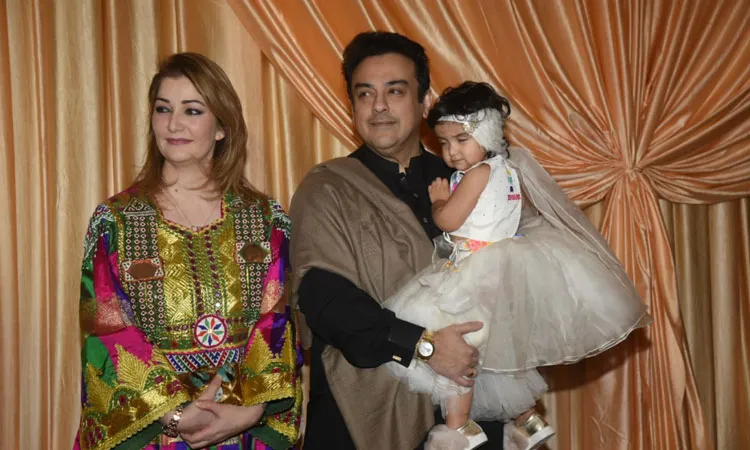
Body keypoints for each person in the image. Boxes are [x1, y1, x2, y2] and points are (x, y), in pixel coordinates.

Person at [384, 81, 653, 450]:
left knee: (460, 347)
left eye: (461, 140)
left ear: (486, 134)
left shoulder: (477, 174)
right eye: (444, 143)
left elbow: (448, 221)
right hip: (502, 273)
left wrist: (438, 201)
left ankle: (458, 429)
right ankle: (528, 421)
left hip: (477, 271)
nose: (451, 152)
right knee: (504, 354)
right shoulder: (508, 170)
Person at [74, 53, 302, 450]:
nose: (173, 124)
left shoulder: (265, 218)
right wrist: (175, 413)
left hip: (244, 425)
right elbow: (107, 326)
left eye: (192, 111)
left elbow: (277, 318)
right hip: (152, 430)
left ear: (222, 127)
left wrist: (247, 410)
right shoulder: (116, 220)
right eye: (163, 109)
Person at [289, 32, 505, 450]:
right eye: (365, 93)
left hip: (475, 401)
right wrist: (424, 346)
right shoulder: (328, 188)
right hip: (364, 411)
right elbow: (324, 298)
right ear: (352, 106)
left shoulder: (471, 181)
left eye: (395, 91)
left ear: (424, 102)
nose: (379, 106)